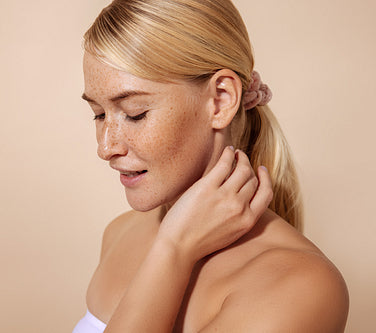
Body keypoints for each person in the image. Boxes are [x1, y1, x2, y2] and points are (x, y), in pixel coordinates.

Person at [74, 0, 349, 332]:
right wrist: (172, 247)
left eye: (135, 113)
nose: (106, 148)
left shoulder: (301, 287)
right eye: (99, 114)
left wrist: (173, 249)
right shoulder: (120, 234)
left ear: (220, 100)